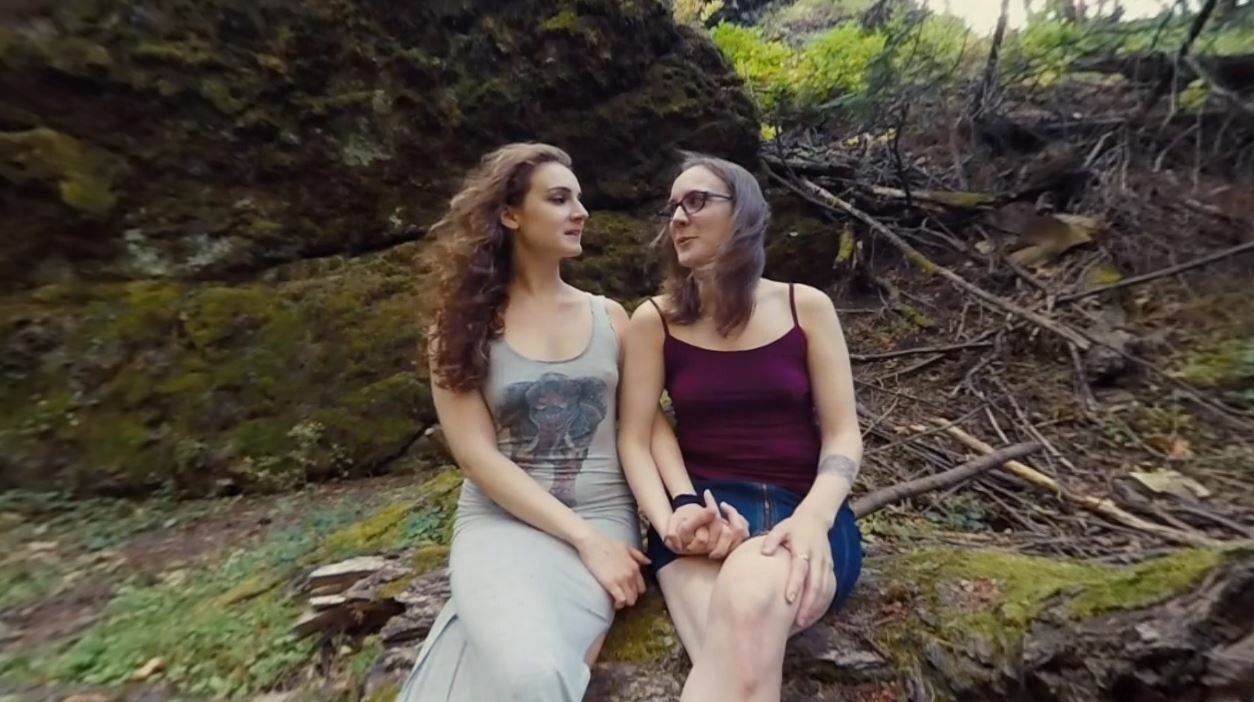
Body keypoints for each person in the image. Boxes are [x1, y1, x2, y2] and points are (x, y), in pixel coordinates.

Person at [399, 143, 653, 701]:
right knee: (528, 673)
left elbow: (645, 433)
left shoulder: (612, 318)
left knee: (533, 673)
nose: (580, 212)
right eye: (559, 199)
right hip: (501, 525)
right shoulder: (459, 326)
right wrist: (584, 541)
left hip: (605, 518)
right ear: (511, 214)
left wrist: (677, 515)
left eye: (579, 199)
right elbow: (475, 457)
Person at [618, 153, 864, 702]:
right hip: (703, 524)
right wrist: (672, 518)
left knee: (748, 605)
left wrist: (814, 518)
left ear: (744, 212)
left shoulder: (806, 307)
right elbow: (634, 436)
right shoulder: (654, 320)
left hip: (802, 513)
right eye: (672, 206)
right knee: (734, 645)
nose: (678, 217)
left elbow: (843, 433)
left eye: (697, 201)